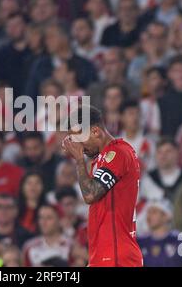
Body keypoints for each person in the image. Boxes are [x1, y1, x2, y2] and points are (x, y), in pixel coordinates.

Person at [62, 105, 143, 267]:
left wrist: (79, 160)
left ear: (95, 131)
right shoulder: (102, 159)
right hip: (104, 254)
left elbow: (90, 195)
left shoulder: (118, 153)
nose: (80, 148)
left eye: (79, 140)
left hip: (116, 255)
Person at [138, 199, 182, 267]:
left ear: (167, 216)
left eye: (154, 212)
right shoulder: (140, 242)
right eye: (148, 212)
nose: (149, 216)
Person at [140, 137, 182, 203]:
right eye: (159, 152)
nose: (163, 155)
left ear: (177, 153)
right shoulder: (148, 179)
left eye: (168, 151)